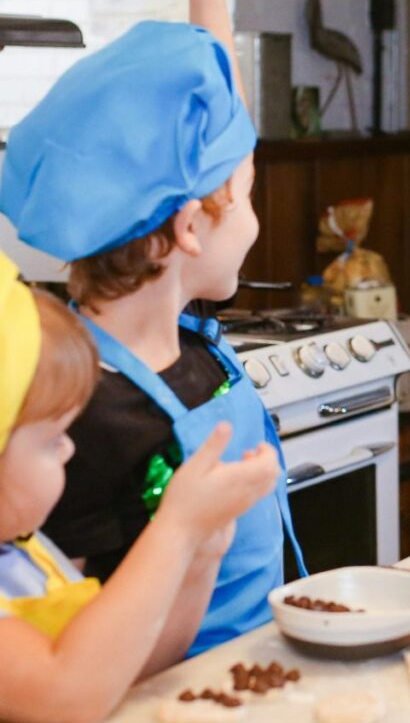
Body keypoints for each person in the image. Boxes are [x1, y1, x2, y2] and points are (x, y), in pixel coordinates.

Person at [0, 0, 305, 657]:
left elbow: (218, 122)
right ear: (189, 231)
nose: (255, 221)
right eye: (248, 199)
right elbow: (74, 638)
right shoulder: (77, 408)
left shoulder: (193, 340)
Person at [0, 252, 281, 723]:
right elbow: (67, 696)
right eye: (52, 439)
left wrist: (202, 554)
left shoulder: (27, 555)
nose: (69, 450)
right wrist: (177, 528)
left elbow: (132, 668)